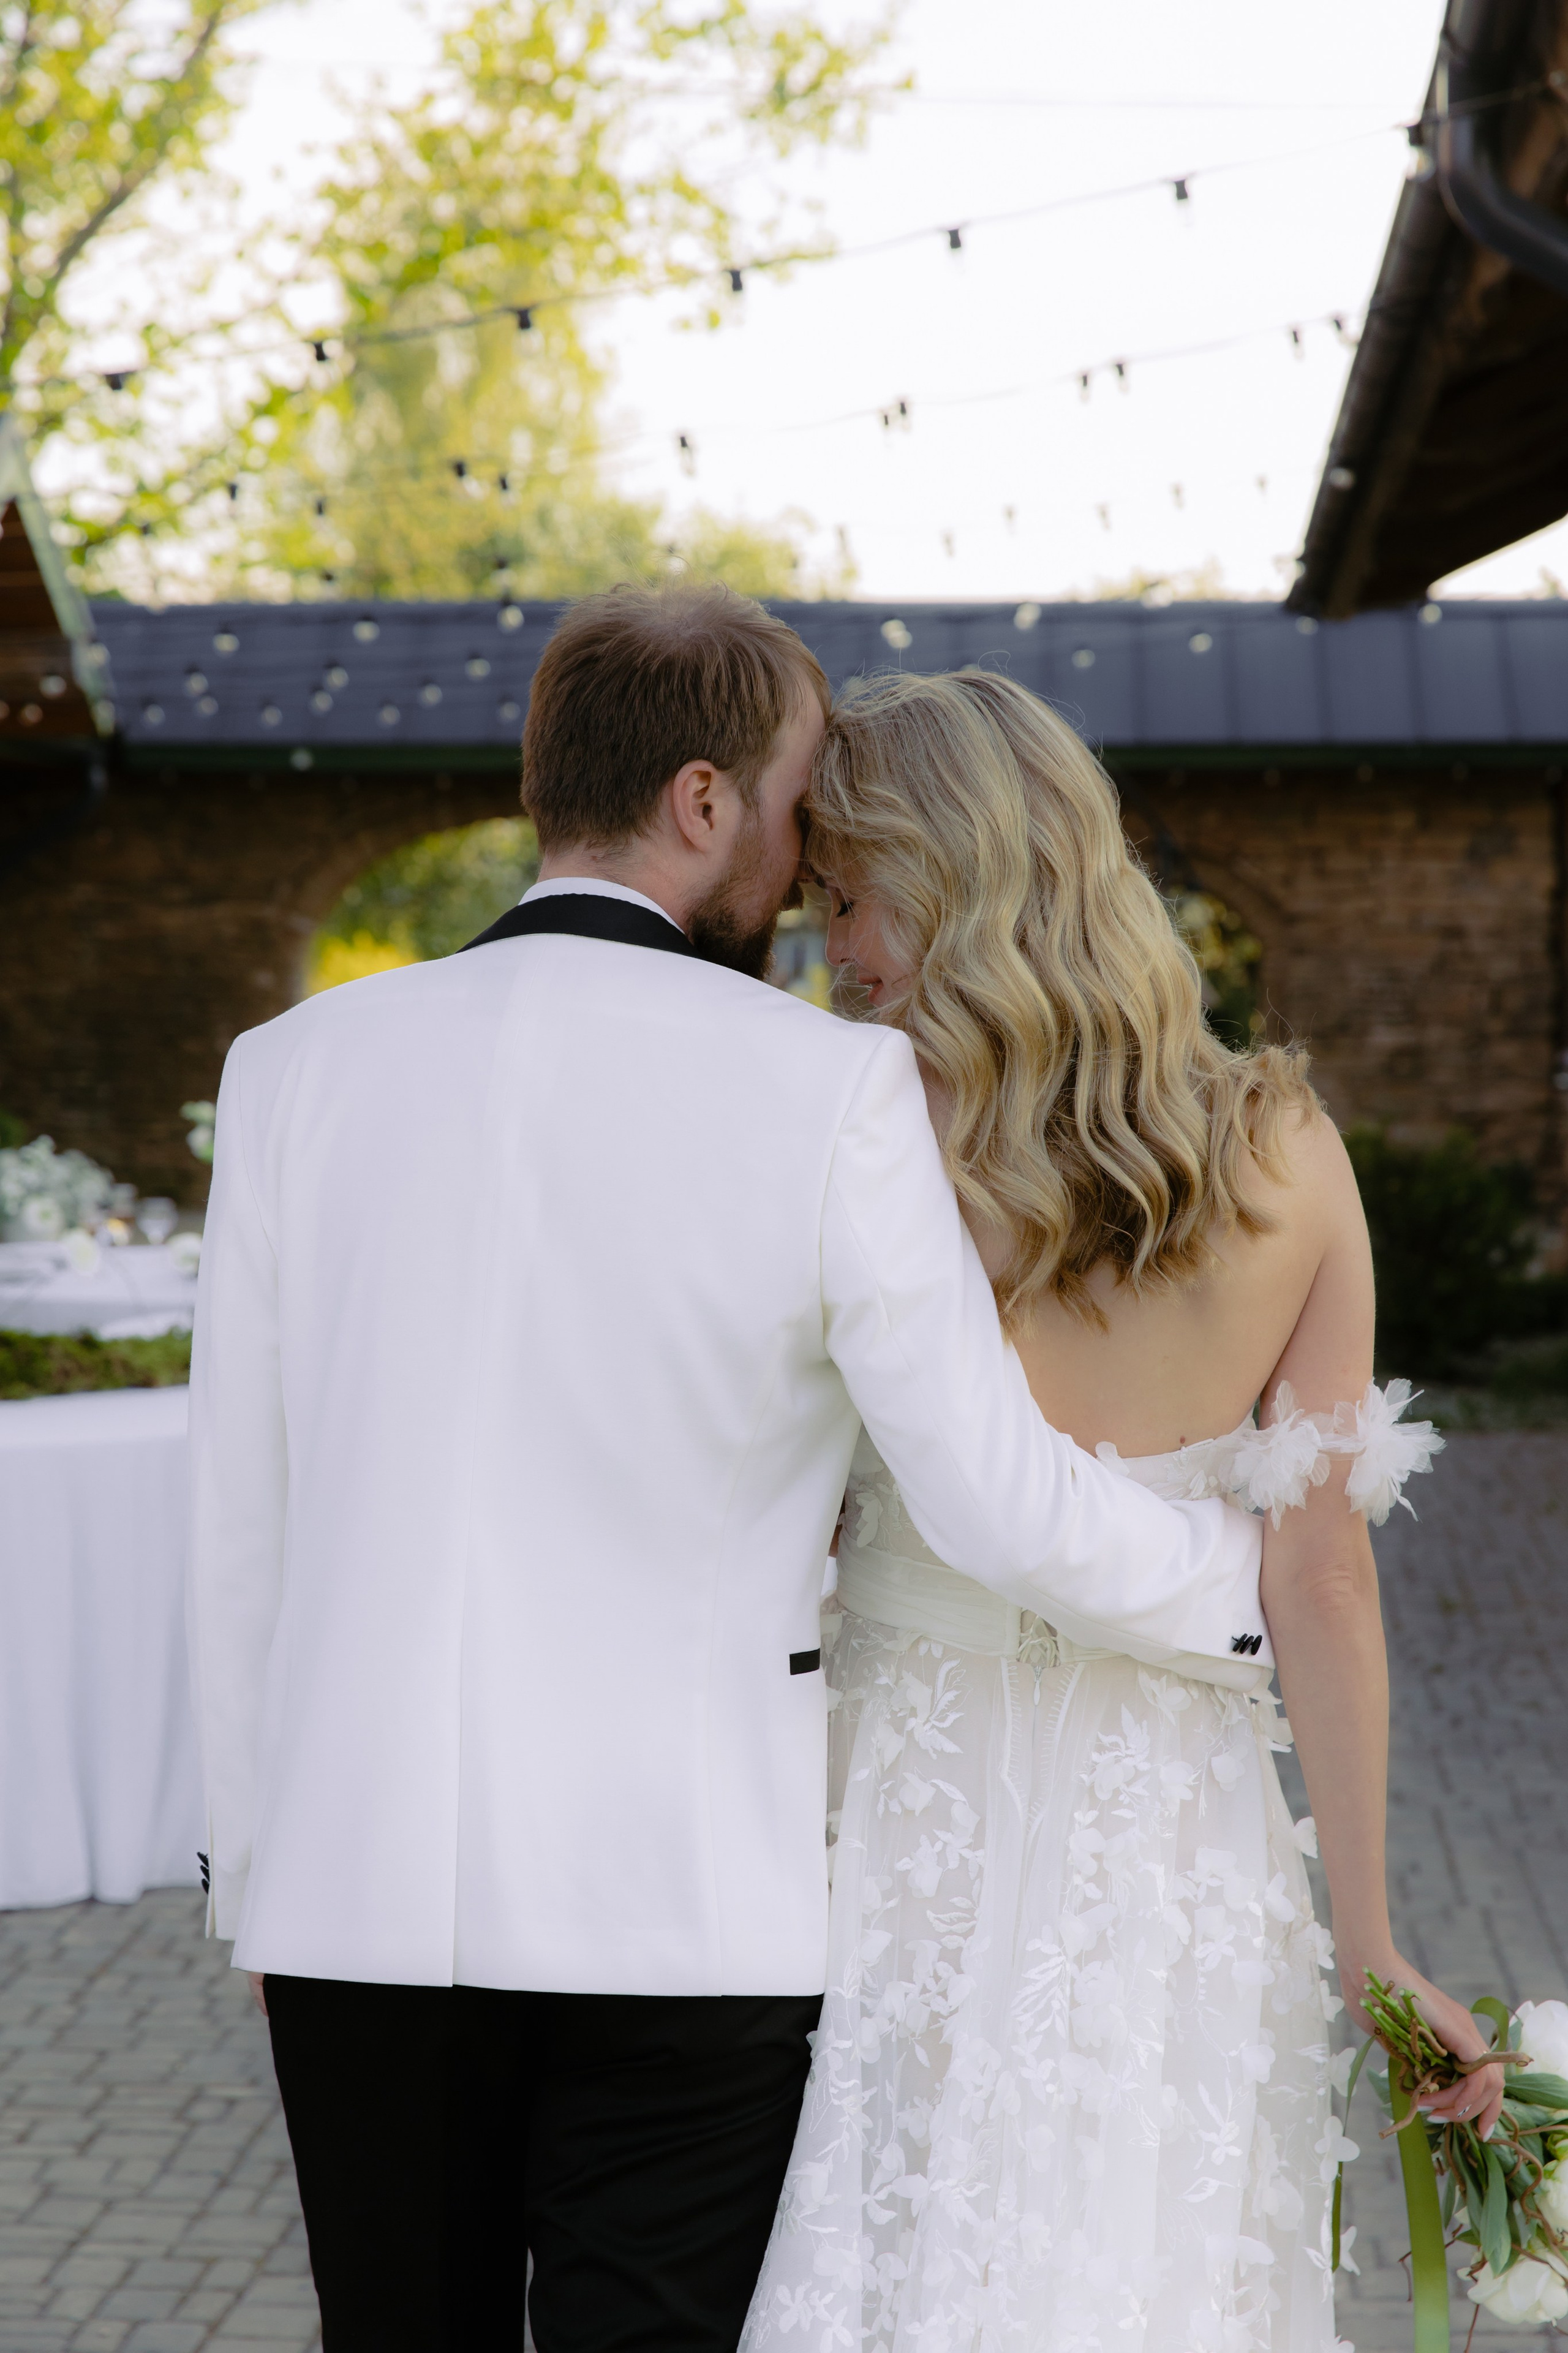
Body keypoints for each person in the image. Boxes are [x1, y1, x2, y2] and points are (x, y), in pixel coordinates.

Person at [186, 584, 1268, 2353]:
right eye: (791, 801)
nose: (808, 837)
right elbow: (989, 1489)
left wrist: (256, 1866)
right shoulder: (830, 1089)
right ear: (701, 805)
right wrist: (1231, 1583)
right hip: (685, 1900)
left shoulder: (295, 1068)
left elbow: (241, 1517)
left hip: (354, 1883)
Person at [742, 668, 1498, 2353]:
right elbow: (1324, 1572)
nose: (834, 948)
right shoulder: (1285, 1150)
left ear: (955, 872)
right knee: (1141, 2268)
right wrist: (1375, 1944)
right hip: (1171, 1827)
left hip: (902, 1804)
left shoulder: (866, 1134)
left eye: (850, 896)